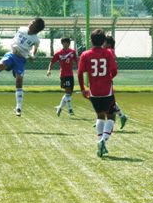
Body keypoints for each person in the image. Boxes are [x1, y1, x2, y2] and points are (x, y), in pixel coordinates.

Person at [0, 17, 45, 117]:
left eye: (34, 23)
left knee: (19, 81)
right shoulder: (21, 29)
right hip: (11, 55)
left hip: (21, 60)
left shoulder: (36, 39)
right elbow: (14, 40)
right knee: (0, 65)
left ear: (37, 28)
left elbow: (34, 49)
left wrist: (32, 55)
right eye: (32, 21)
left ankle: (18, 108)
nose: (31, 23)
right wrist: (14, 48)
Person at [78, 29, 118, 157]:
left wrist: (83, 88)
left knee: (100, 116)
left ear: (91, 40)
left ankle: (99, 142)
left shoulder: (85, 54)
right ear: (103, 41)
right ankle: (103, 140)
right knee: (111, 116)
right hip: (107, 91)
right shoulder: (108, 53)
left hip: (94, 91)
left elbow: (79, 73)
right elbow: (114, 71)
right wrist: (109, 77)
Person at [47, 37, 77, 116]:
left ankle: (59, 107)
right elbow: (52, 62)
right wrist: (49, 70)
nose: (66, 44)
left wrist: (81, 68)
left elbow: (77, 61)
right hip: (64, 75)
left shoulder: (72, 52)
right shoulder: (59, 53)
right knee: (67, 92)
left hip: (71, 75)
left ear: (69, 43)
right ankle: (70, 109)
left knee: (69, 94)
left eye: (67, 42)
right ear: (62, 43)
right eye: (64, 42)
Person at [104, 35, 128, 129]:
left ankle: (119, 117)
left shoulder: (109, 51)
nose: (102, 44)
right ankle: (120, 117)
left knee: (108, 101)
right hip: (106, 79)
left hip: (106, 79)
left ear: (108, 44)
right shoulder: (110, 51)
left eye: (104, 42)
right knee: (109, 101)